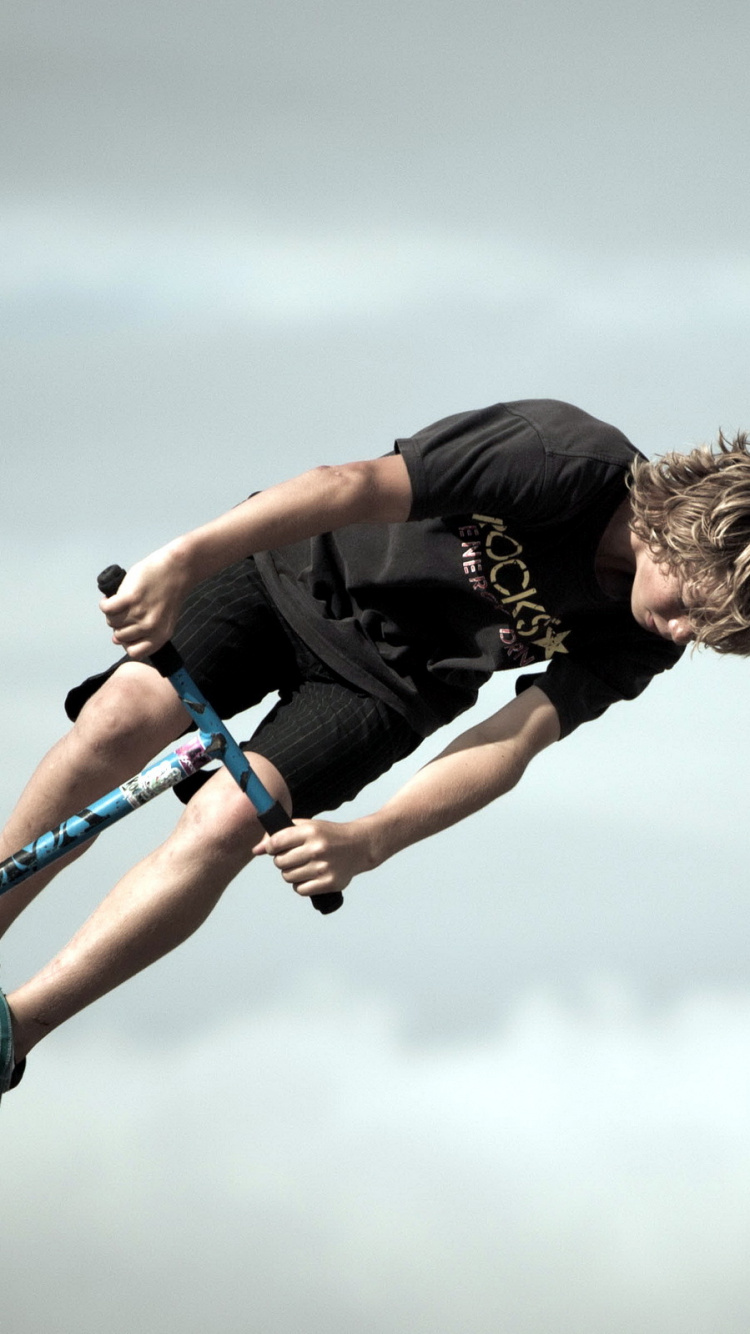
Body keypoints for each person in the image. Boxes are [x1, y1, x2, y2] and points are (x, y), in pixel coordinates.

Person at [2, 398, 749, 1102]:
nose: (684, 633)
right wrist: (181, 562)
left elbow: (513, 739)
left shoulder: (640, 640)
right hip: (291, 571)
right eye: (693, 608)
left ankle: (18, 1029)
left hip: (385, 689)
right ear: (685, 533)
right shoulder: (562, 457)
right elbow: (350, 485)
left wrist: (370, 840)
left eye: (707, 634)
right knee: (119, 718)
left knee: (231, 820)